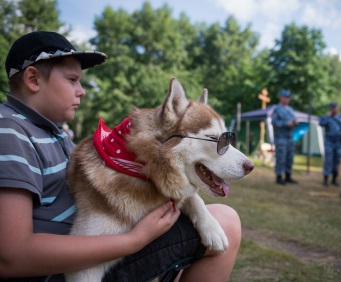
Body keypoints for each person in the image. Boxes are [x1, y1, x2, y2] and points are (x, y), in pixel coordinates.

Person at [0, 31, 241, 281]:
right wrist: (133, 241)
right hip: (63, 269)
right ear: (33, 79)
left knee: (216, 221)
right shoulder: (9, 133)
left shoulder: (50, 131)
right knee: (227, 222)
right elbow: (11, 257)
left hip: (92, 248)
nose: (81, 91)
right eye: (73, 80)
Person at [271, 89, 298, 185]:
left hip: (290, 137)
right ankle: (279, 177)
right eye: (285, 97)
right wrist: (286, 124)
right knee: (281, 158)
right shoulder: (277, 109)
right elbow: (274, 122)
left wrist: (294, 123)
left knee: (289, 157)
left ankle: (288, 176)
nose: (287, 99)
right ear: (281, 98)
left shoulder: (290, 109)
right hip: (281, 138)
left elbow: (293, 120)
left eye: (288, 97)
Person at [319, 102, 341, 186]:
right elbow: (321, 123)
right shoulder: (327, 117)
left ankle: (334, 179)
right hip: (329, 142)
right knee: (328, 161)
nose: (334, 109)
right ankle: (325, 180)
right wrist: (328, 116)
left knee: (336, 161)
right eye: (332, 108)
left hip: (339, 143)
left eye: (335, 107)